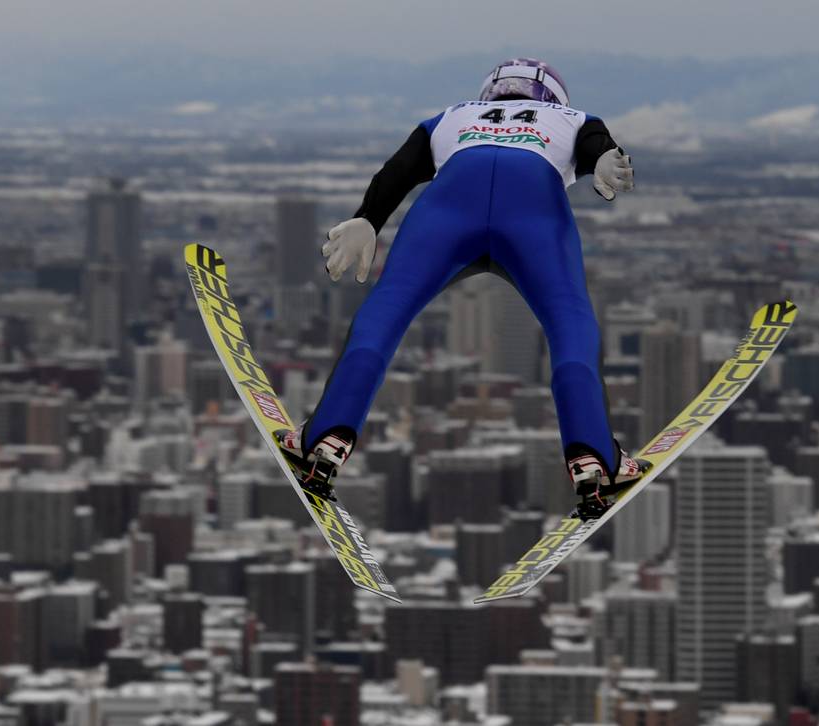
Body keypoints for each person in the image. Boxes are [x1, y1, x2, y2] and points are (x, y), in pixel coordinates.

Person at [276, 57, 648, 520]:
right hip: (533, 212)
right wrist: (604, 158)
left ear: (490, 92)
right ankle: (594, 459)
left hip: (447, 211)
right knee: (570, 323)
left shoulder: (453, 115)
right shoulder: (573, 118)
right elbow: (596, 148)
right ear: (552, 96)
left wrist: (368, 218)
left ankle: (324, 440)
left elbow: (398, 170)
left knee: (385, 313)